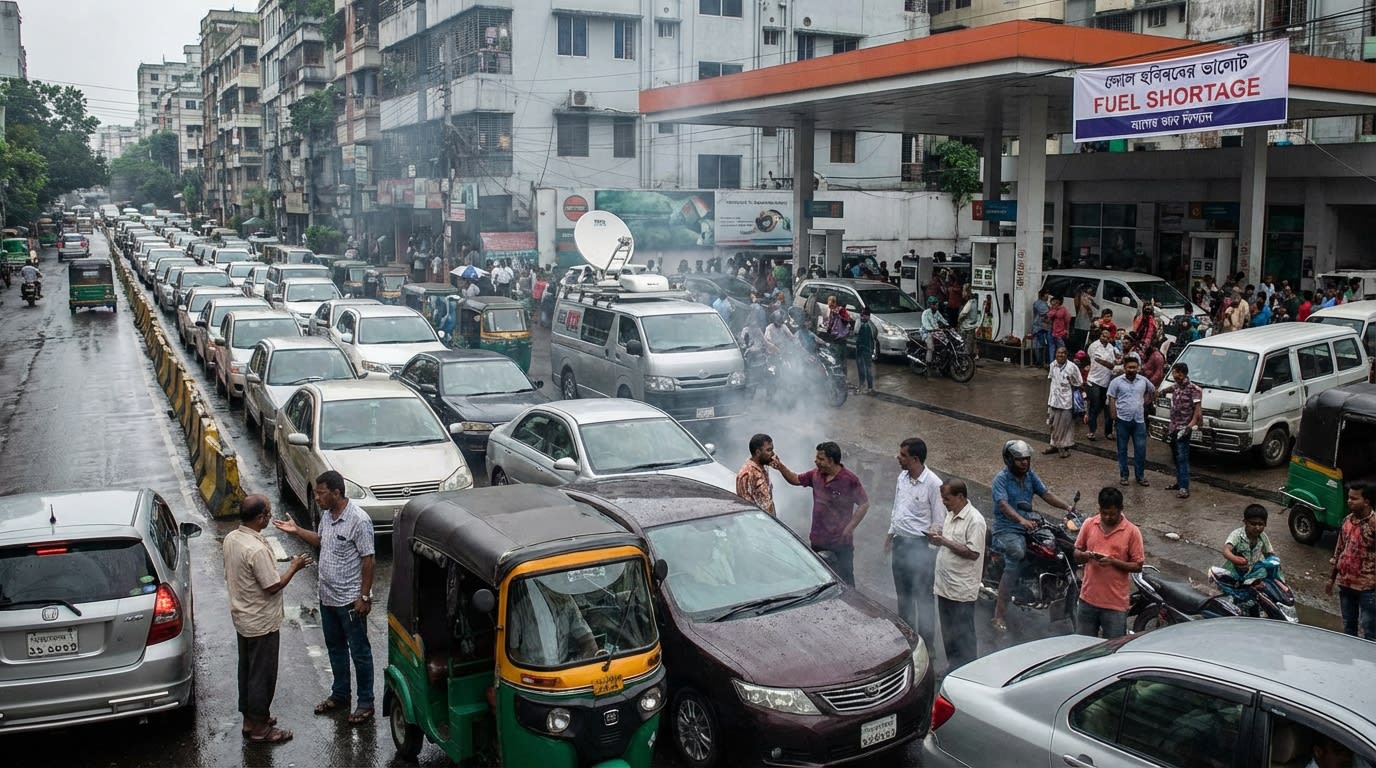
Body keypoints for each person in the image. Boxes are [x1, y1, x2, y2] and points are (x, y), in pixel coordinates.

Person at [273, 471, 377, 725]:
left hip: (350, 601)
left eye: (321, 493)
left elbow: (369, 559)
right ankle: (340, 695)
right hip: (327, 597)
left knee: (360, 653)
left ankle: (366, 702)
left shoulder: (359, 520)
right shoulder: (327, 516)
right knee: (336, 648)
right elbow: (321, 541)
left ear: (336, 493)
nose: (317, 497)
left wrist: (364, 596)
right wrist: (297, 531)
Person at [224, 495, 312, 744]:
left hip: (243, 618)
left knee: (247, 671)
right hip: (261, 622)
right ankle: (260, 728)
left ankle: (249, 719)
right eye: (269, 513)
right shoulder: (256, 549)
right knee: (262, 675)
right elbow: (272, 585)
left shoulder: (232, 538)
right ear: (260, 517)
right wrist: (294, 566)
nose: (270, 517)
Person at [990, 439, 1076, 632]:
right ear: (1009, 460)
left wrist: (1068, 507)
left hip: (1028, 526)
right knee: (1017, 553)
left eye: (1027, 459)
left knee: (1055, 547)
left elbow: (1046, 494)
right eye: (1020, 459)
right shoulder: (1000, 480)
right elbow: (1003, 504)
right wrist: (1021, 520)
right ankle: (998, 615)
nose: (1024, 463)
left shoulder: (1030, 476)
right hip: (1006, 529)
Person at [781, 442, 868, 585]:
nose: (816, 461)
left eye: (820, 459)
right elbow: (795, 479)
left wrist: (850, 527)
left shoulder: (849, 480)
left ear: (831, 460)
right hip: (818, 541)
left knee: (845, 581)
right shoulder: (816, 474)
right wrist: (780, 466)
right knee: (821, 581)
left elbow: (864, 504)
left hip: (840, 543)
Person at [885, 437, 943, 651]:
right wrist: (890, 535)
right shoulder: (902, 477)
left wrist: (930, 553)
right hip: (900, 544)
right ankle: (909, 642)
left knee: (923, 599)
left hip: (920, 548)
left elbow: (939, 521)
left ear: (915, 459)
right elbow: (897, 508)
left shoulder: (934, 484)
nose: (898, 458)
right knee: (904, 597)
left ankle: (928, 647)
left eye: (903, 455)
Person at [1072, 486, 1144, 639]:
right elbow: (1076, 553)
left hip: (1115, 606)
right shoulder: (1089, 524)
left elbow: (1138, 566)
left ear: (1121, 509)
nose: (1107, 517)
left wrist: (1113, 562)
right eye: (1104, 513)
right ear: (1099, 508)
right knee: (1082, 645)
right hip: (1087, 600)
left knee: (1113, 648)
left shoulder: (1132, 532)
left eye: (1112, 514)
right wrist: (1086, 556)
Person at [929, 479, 985, 672]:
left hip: (961, 590)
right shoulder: (951, 514)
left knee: (964, 635)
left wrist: (943, 541)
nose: (944, 502)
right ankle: (952, 667)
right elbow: (949, 543)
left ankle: (968, 672)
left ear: (960, 497)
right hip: (945, 586)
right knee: (949, 632)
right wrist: (938, 539)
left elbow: (973, 553)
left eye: (947, 498)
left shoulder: (975, 521)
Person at [507, 579, 598, 665]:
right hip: (533, 670)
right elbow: (512, 652)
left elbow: (588, 640)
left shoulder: (566, 602)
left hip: (564, 667)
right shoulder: (520, 610)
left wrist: (577, 663)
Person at [1327, 483, 1376, 640]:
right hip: (1346, 584)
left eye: (1354, 499)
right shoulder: (1347, 521)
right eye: (1349, 497)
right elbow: (1339, 550)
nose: (1349, 501)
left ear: (1366, 501)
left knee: (1370, 630)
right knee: (1349, 627)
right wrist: (1331, 579)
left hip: (1368, 588)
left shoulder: (1374, 524)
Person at [1107, 355, 1156, 487]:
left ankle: (1140, 476)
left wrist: (1147, 402)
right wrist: (1113, 416)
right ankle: (1124, 476)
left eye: (1134, 367)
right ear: (1124, 368)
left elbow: (1153, 391)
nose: (1132, 369)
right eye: (1129, 367)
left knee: (1140, 450)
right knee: (1122, 449)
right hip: (1122, 420)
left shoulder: (1143, 381)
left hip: (1139, 421)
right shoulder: (1116, 382)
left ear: (1138, 368)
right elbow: (1111, 398)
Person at [1158, 361, 1202, 499]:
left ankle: (1184, 488)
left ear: (1184, 374)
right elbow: (1171, 388)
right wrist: (1161, 392)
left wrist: (1189, 428)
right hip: (1173, 427)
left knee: (1182, 458)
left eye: (1178, 373)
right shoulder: (1177, 386)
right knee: (1176, 457)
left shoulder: (1194, 389)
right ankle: (1179, 482)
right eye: (1174, 373)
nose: (1176, 375)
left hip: (1184, 428)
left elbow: (1197, 413)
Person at [735, 433, 797, 516]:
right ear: (758, 452)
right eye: (769, 450)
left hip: (769, 520)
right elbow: (744, 508)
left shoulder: (763, 467)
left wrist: (779, 466)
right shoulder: (746, 474)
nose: (773, 454)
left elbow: (768, 501)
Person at [1046, 346, 1083, 458]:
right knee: (1052, 424)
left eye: (1063, 353)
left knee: (1065, 426)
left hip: (1066, 402)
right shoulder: (1052, 365)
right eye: (1058, 353)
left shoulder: (1072, 367)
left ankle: (1064, 447)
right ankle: (1053, 445)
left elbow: (1079, 382)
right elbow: (1051, 379)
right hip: (1053, 400)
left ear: (1066, 355)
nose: (1060, 355)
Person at [1085, 327, 1120, 442]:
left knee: (1108, 407)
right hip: (1094, 381)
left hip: (1107, 382)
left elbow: (1117, 359)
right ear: (1100, 336)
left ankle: (1108, 432)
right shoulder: (1094, 346)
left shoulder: (1111, 348)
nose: (1105, 338)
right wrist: (1112, 365)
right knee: (1094, 406)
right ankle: (1092, 431)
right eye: (1103, 336)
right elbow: (1100, 361)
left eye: (1107, 337)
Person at [1223, 504, 1275, 579]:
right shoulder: (1237, 534)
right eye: (1253, 524)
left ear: (1265, 524)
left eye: (1261, 524)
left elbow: (1269, 553)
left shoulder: (1263, 536)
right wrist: (1236, 560)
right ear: (1245, 522)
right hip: (1235, 571)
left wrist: (1273, 563)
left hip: (1254, 572)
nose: (1257, 528)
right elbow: (1226, 551)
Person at [919, 295, 947, 377]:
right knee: (930, 348)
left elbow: (942, 320)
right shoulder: (925, 313)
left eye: (936, 303)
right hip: (927, 333)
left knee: (946, 343)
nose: (936, 305)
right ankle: (928, 366)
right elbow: (926, 325)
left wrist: (948, 325)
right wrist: (932, 329)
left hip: (936, 332)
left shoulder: (937, 312)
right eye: (934, 304)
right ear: (930, 305)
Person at [854, 307, 877, 394]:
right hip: (860, 349)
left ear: (868, 316)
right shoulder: (859, 322)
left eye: (865, 315)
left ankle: (870, 387)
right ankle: (862, 385)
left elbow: (875, 334)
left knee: (868, 369)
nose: (863, 316)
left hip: (867, 349)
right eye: (862, 315)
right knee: (860, 368)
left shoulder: (870, 324)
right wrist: (860, 321)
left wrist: (873, 349)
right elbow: (856, 331)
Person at [956, 285, 980, 361]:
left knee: (965, 344)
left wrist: (959, 320)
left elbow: (963, 314)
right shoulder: (975, 302)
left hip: (966, 327)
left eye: (963, 291)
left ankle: (965, 359)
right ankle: (972, 357)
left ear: (967, 292)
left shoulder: (970, 303)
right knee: (971, 343)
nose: (962, 293)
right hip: (972, 326)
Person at [1031, 289, 1051, 366]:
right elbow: (1046, 314)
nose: (1048, 296)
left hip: (1043, 328)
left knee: (1042, 345)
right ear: (1042, 295)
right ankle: (1039, 362)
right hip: (1039, 328)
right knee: (1039, 345)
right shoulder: (1039, 304)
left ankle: (1041, 361)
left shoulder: (1044, 303)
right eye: (1046, 294)